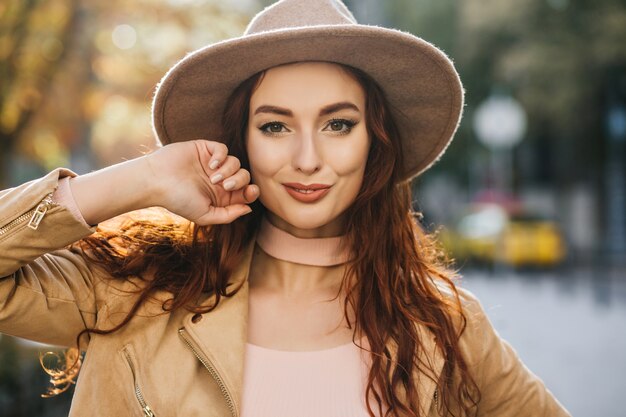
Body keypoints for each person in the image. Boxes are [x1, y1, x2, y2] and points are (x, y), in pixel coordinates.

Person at [0, 0, 571, 416]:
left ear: (376, 140)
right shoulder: (135, 292)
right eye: (275, 125)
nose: (306, 158)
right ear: (241, 140)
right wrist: (143, 177)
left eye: (338, 124)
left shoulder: (444, 322)